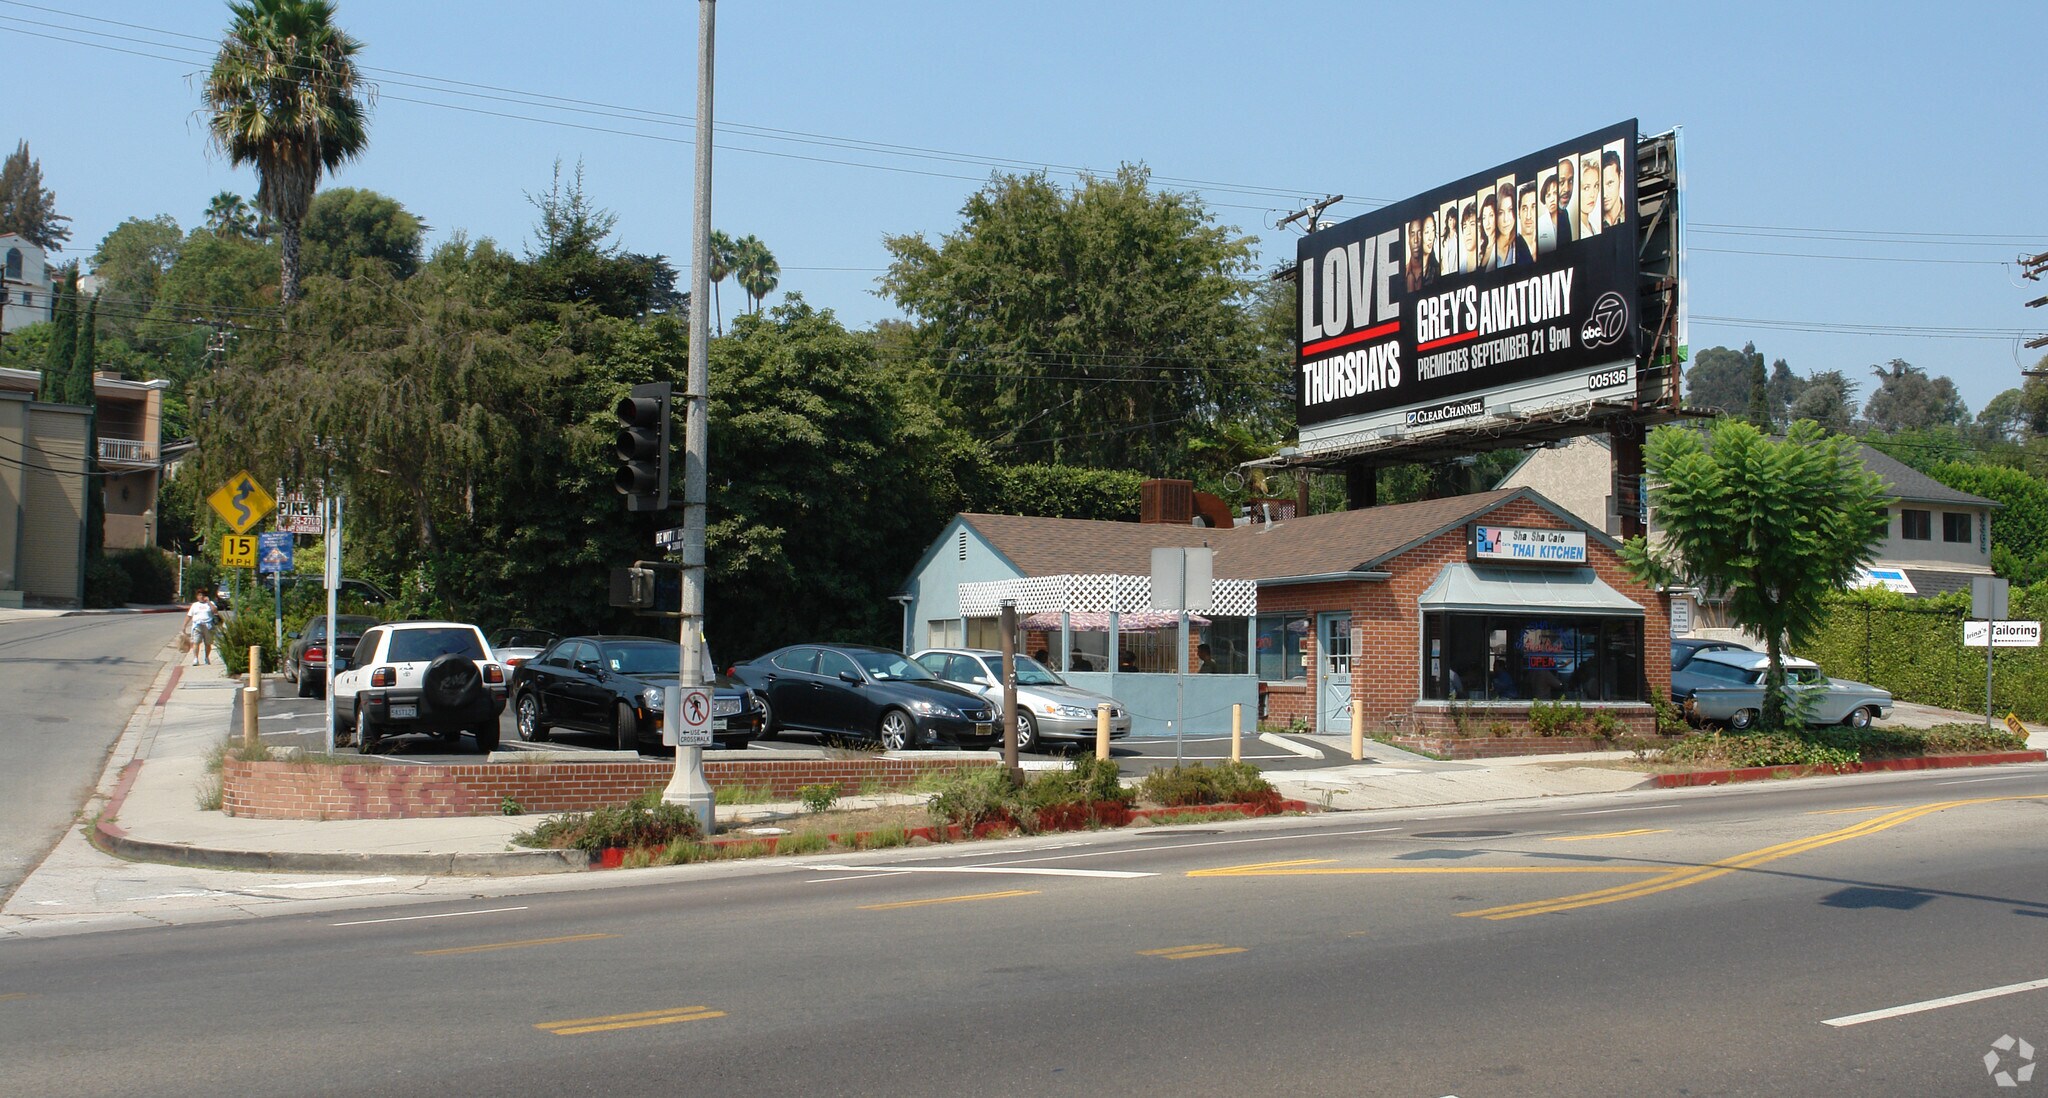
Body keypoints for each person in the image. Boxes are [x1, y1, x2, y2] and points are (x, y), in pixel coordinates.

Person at [184, 591, 217, 666]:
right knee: (196, 642)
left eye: (203, 595)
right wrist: (184, 626)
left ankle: (206, 657)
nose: (201, 597)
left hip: (208, 626)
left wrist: (208, 602)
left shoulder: (210, 604)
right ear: (197, 596)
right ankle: (195, 658)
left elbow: (215, 611)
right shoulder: (195, 605)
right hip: (197, 626)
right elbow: (189, 615)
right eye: (199, 595)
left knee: (208, 643)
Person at [1513, 182, 1540, 263]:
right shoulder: (1512, 249)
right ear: (1518, 212)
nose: (1528, 216)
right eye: (1524, 208)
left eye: (1533, 207)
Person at [1578, 153, 1603, 239]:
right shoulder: (1571, 232)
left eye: (1596, 186)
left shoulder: (1595, 227)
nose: (1592, 194)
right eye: (1586, 188)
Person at [1554, 156, 1578, 244]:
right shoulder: (1546, 218)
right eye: (1561, 182)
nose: (1567, 189)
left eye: (1570, 181)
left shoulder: (1564, 214)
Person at [1601, 148, 1626, 229]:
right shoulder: (1593, 226)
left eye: (1610, 183)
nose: (1604, 194)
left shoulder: (1632, 215)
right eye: (1600, 186)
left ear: (1620, 176)